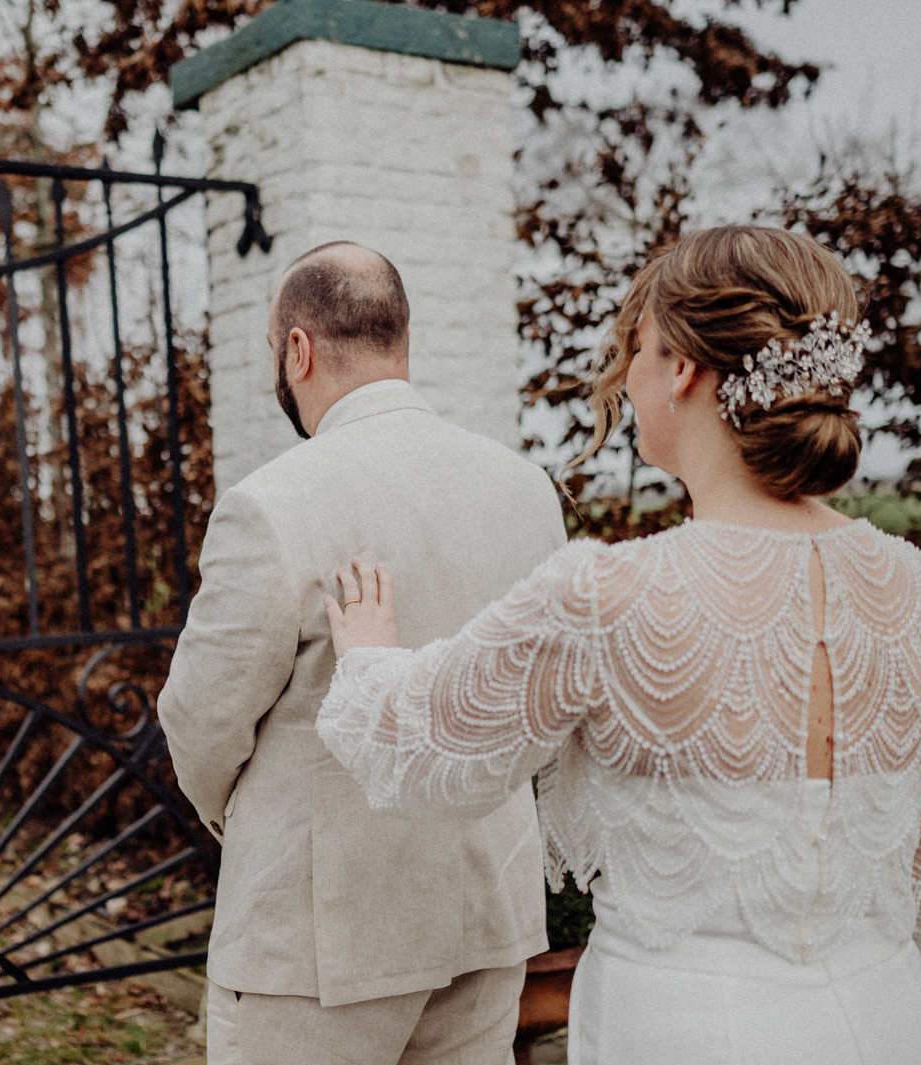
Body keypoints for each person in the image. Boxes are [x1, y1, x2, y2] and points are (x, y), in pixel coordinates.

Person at [316, 226, 921, 1065]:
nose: (629, 377)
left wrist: (364, 658)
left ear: (681, 368)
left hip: (684, 1026)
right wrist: (841, 950)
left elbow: (425, 742)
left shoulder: (607, 596)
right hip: (892, 1013)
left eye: (636, 349)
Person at [156, 241, 567, 1065]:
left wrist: (244, 818)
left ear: (298, 350)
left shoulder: (270, 506)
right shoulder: (527, 491)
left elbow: (201, 719)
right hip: (487, 912)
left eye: (277, 352)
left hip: (315, 939)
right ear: (400, 341)